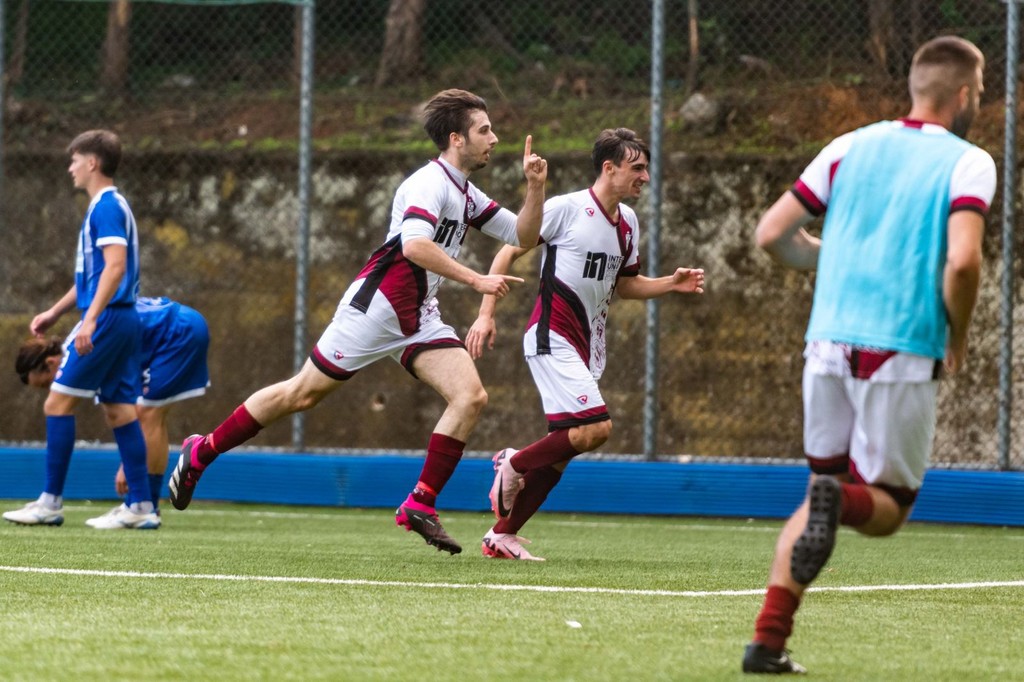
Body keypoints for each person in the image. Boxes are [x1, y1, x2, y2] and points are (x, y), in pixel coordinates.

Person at [168, 88, 548, 555]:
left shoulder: (466, 193)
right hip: (377, 307)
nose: (494, 138)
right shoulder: (427, 184)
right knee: (302, 394)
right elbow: (414, 245)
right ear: (456, 139)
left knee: (470, 396)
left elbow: (523, 233)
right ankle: (201, 451)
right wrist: (475, 279)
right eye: (484, 130)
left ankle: (420, 503)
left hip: (417, 315)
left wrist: (535, 187)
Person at [741, 36, 995, 674]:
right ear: (965, 93)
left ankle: (767, 642)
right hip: (901, 348)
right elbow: (964, 261)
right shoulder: (969, 162)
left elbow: (771, 235)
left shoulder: (848, 146)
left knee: (819, 490)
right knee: (886, 510)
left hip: (827, 344)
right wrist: (957, 334)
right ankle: (841, 504)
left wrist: (835, 260)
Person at [466, 128, 706, 561]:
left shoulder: (628, 222)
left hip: (587, 347)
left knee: (566, 447)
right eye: (637, 168)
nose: (645, 177)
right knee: (597, 428)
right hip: (551, 337)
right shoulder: (566, 209)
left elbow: (625, 285)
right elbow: (507, 252)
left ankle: (502, 536)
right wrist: (486, 314)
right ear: (609, 168)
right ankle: (513, 463)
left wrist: (670, 283)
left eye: (646, 169)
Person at [3, 129, 157, 530]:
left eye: (74, 160)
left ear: (92, 163)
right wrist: (56, 312)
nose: (70, 168)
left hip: (108, 318)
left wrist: (90, 319)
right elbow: (94, 275)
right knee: (119, 409)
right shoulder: (108, 206)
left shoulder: (105, 206)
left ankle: (49, 503)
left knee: (56, 404)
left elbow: (115, 267)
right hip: (121, 318)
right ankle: (141, 506)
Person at [15, 296, 211, 516]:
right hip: (180, 326)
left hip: (177, 332)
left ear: (51, 362)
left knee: (149, 413)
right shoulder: (85, 341)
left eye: (46, 383)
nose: (52, 388)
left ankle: (141, 507)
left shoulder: (81, 346)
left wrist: (129, 465)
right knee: (152, 414)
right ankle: (147, 505)